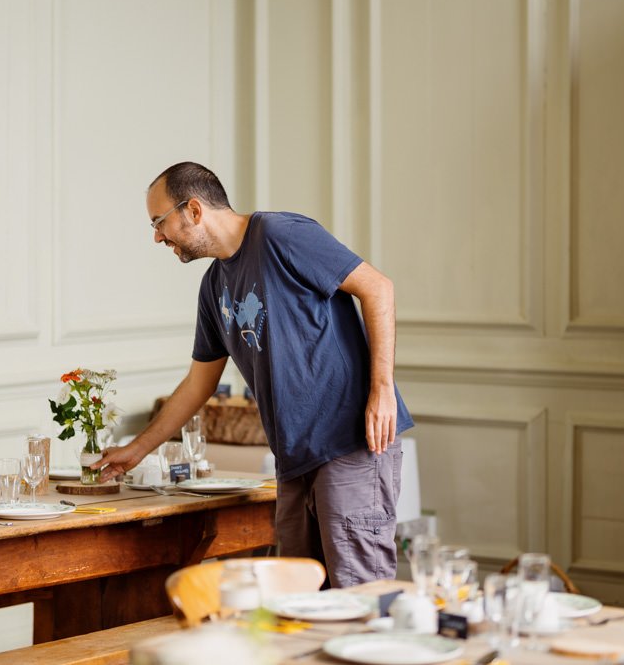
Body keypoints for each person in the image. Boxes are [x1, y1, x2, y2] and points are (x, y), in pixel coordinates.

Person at [96, 161, 414, 587]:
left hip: (350, 444)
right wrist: (136, 451)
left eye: (159, 221)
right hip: (294, 460)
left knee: (361, 598)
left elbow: (378, 287)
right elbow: (198, 384)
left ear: (193, 209)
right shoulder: (213, 288)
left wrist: (382, 390)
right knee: (299, 602)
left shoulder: (279, 234)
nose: (157, 236)